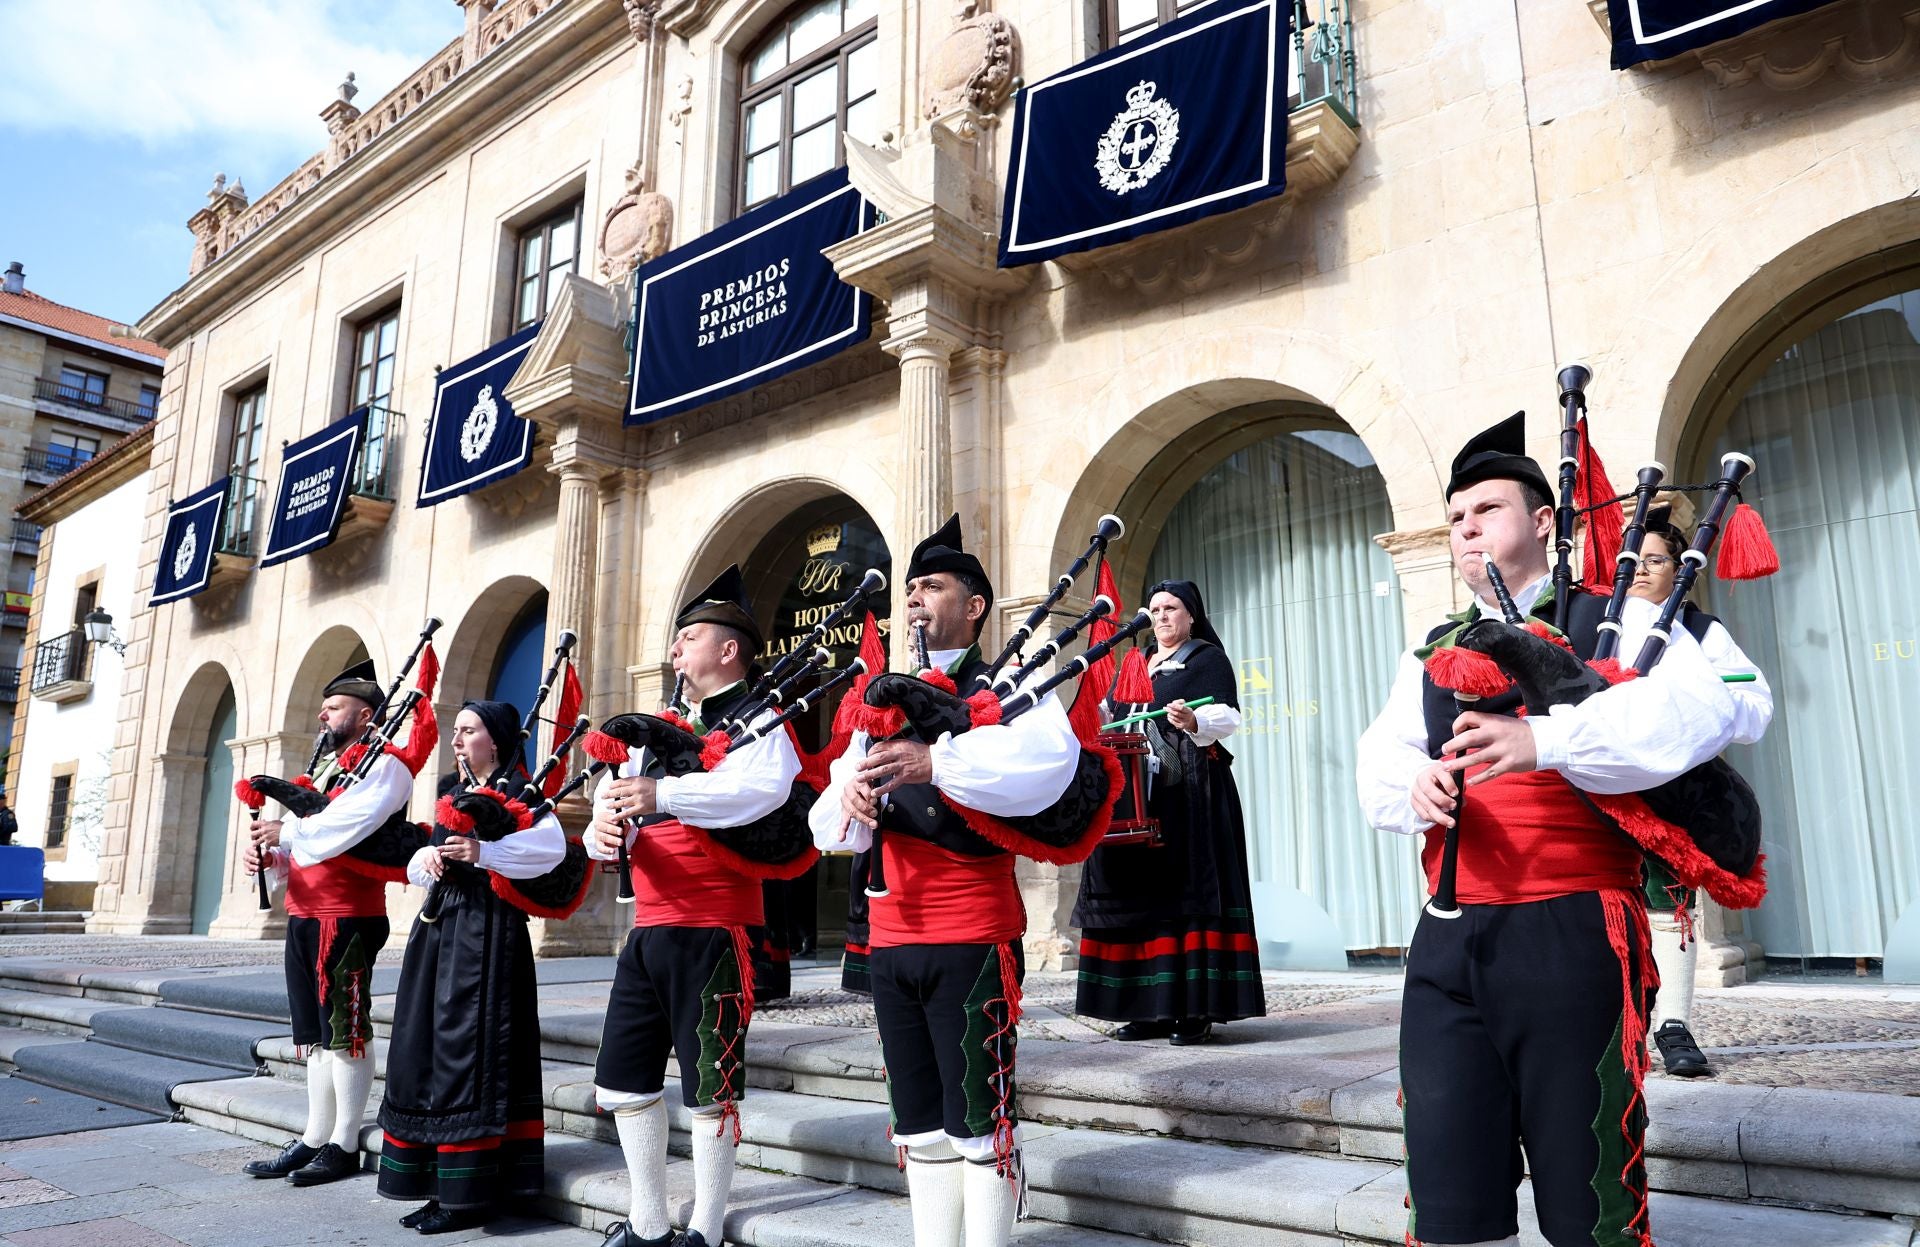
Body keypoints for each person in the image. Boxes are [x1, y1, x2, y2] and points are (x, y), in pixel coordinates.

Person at [1355, 413, 1741, 1247]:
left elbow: (1704, 711)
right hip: (1450, 937)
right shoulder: (1429, 650)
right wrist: (1411, 784)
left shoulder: (1616, 616)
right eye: (1456, 517)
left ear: (1539, 521)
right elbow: (1376, 762)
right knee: (1450, 1195)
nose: (1466, 527)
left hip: (1573, 929)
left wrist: (1547, 740)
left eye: (1486, 509)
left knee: (1587, 1193)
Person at [810, 515, 1087, 1247]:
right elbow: (825, 814)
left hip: (972, 935)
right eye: (909, 590)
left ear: (975, 606)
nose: (914, 602)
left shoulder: (1015, 682)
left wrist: (939, 763)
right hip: (891, 941)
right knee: (920, 1121)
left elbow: (1048, 767)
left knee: (979, 1115)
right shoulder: (881, 698)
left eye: (932, 587)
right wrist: (848, 801)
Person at [589, 566, 812, 1247]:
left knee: (711, 1087)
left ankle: (707, 1228)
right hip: (649, 926)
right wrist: (604, 828)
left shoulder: (761, 718)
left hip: (715, 925)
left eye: (690, 636)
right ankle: (649, 1221)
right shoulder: (653, 732)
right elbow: (614, 796)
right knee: (624, 1082)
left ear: (729, 649)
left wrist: (665, 796)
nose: (676, 648)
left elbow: (759, 793)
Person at [376, 700, 573, 1234]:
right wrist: (430, 859)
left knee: (472, 1054)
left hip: (488, 935)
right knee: (427, 1050)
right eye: (457, 730)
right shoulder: (448, 791)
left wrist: (482, 854)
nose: (458, 739)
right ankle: (439, 1184)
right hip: (438, 932)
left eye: (469, 730)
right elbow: (419, 859)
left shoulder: (523, 796)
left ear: (496, 739)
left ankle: (472, 1192)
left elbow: (549, 853)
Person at [243, 660, 416, 1188]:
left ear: (366, 715)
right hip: (303, 914)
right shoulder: (327, 770)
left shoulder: (386, 766)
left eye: (335, 706)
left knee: (346, 1034)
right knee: (317, 1037)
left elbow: (346, 829)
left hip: (348, 915)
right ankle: (314, 1137)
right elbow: (303, 839)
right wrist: (271, 857)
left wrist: (286, 834)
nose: (323, 712)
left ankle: (342, 1142)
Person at [1072, 579, 1264, 1045]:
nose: (1161, 617)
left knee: (1184, 894)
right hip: (1133, 794)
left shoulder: (1205, 660)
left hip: (1188, 797)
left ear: (1191, 615)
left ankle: (1194, 1012)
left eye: (1171, 608)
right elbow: (1104, 712)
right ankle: (1145, 1009)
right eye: (1155, 609)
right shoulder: (1132, 663)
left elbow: (1230, 717)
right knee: (1138, 895)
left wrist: (1194, 720)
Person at [1628, 505, 1773, 1078]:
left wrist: (1690, 711)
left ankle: (1673, 1022)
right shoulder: (1595, 621)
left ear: (1679, 569)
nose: (1639, 570)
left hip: (1674, 790)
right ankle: (1621, 1021)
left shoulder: (1704, 632)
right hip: (1594, 792)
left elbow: (1752, 707)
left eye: (1654, 559)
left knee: (1671, 907)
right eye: (1630, 559)